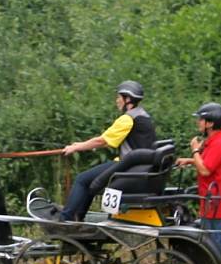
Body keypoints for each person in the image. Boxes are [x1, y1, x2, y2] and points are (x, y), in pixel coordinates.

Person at [59, 80, 156, 222]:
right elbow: (108, 141)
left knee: (81, 180)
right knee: (89, 181)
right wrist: (81, 144)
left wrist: (75, 147)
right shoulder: (144, 116)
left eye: (119, 97)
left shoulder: (128, 119)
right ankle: (78, 217)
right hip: (138, 168)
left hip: (128, 168)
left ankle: (64, 219)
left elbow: (102, 141)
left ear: (127, 99)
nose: (117, 101)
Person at [175, 102, 221, 264]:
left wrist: (194, 150)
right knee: (217, 236)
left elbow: (204, 169)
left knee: (218, 238)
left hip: (218, 200)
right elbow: (209, 162)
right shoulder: (216, 140)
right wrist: (188, 160)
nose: (198, 122)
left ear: (210, 123)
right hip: (215, 197)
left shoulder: (219, 143)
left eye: (200, 119)